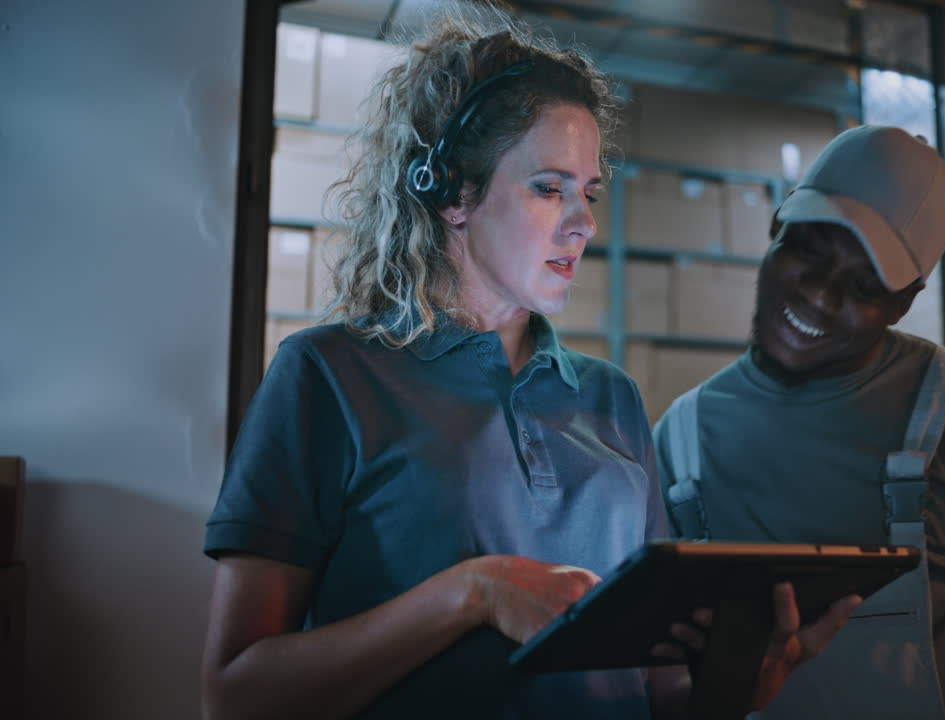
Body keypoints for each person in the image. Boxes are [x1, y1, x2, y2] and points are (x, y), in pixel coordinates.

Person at [200, 8, 858, 720]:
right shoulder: (327, 376)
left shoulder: (611, 399)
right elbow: (237, 695)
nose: (583, 223)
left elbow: (659, 689)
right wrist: (473, 593)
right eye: (549, 188)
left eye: (589, 192)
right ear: (452, 190)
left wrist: (738, 681)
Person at [653, 125, 945, 720]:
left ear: (905, 302)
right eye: (812, 250)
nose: (820, 294)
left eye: (865, 284)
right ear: (777, 227)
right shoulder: (680, 440)